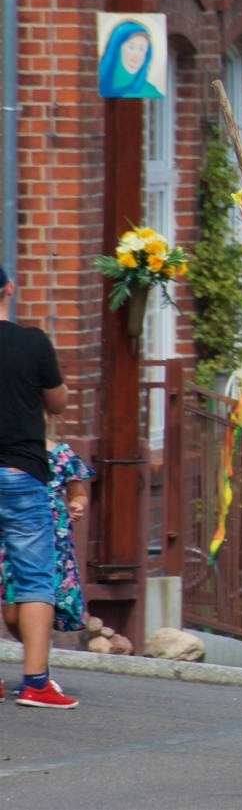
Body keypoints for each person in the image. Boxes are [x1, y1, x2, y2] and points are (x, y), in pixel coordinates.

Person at [0, 266, 75, 708]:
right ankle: (35, 682)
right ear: (8, 288)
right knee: (33, 576)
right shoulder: (32, 342)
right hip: (21, 471)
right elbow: (58, 401)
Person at [1, 426, 95, 638]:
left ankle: (38, 660)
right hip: (10, 533)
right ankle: (36, 654)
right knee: (11, 613)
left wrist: (77, 505)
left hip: (50, 537)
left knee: (38, 597)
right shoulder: (8, 453)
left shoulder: (61, 454)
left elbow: (78, 494)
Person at [97, 19, 164, 99]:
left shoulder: (150, 91)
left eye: (142, 49)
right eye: (131, 47)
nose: (136, 58)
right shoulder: (97, 85)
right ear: (116, 49)